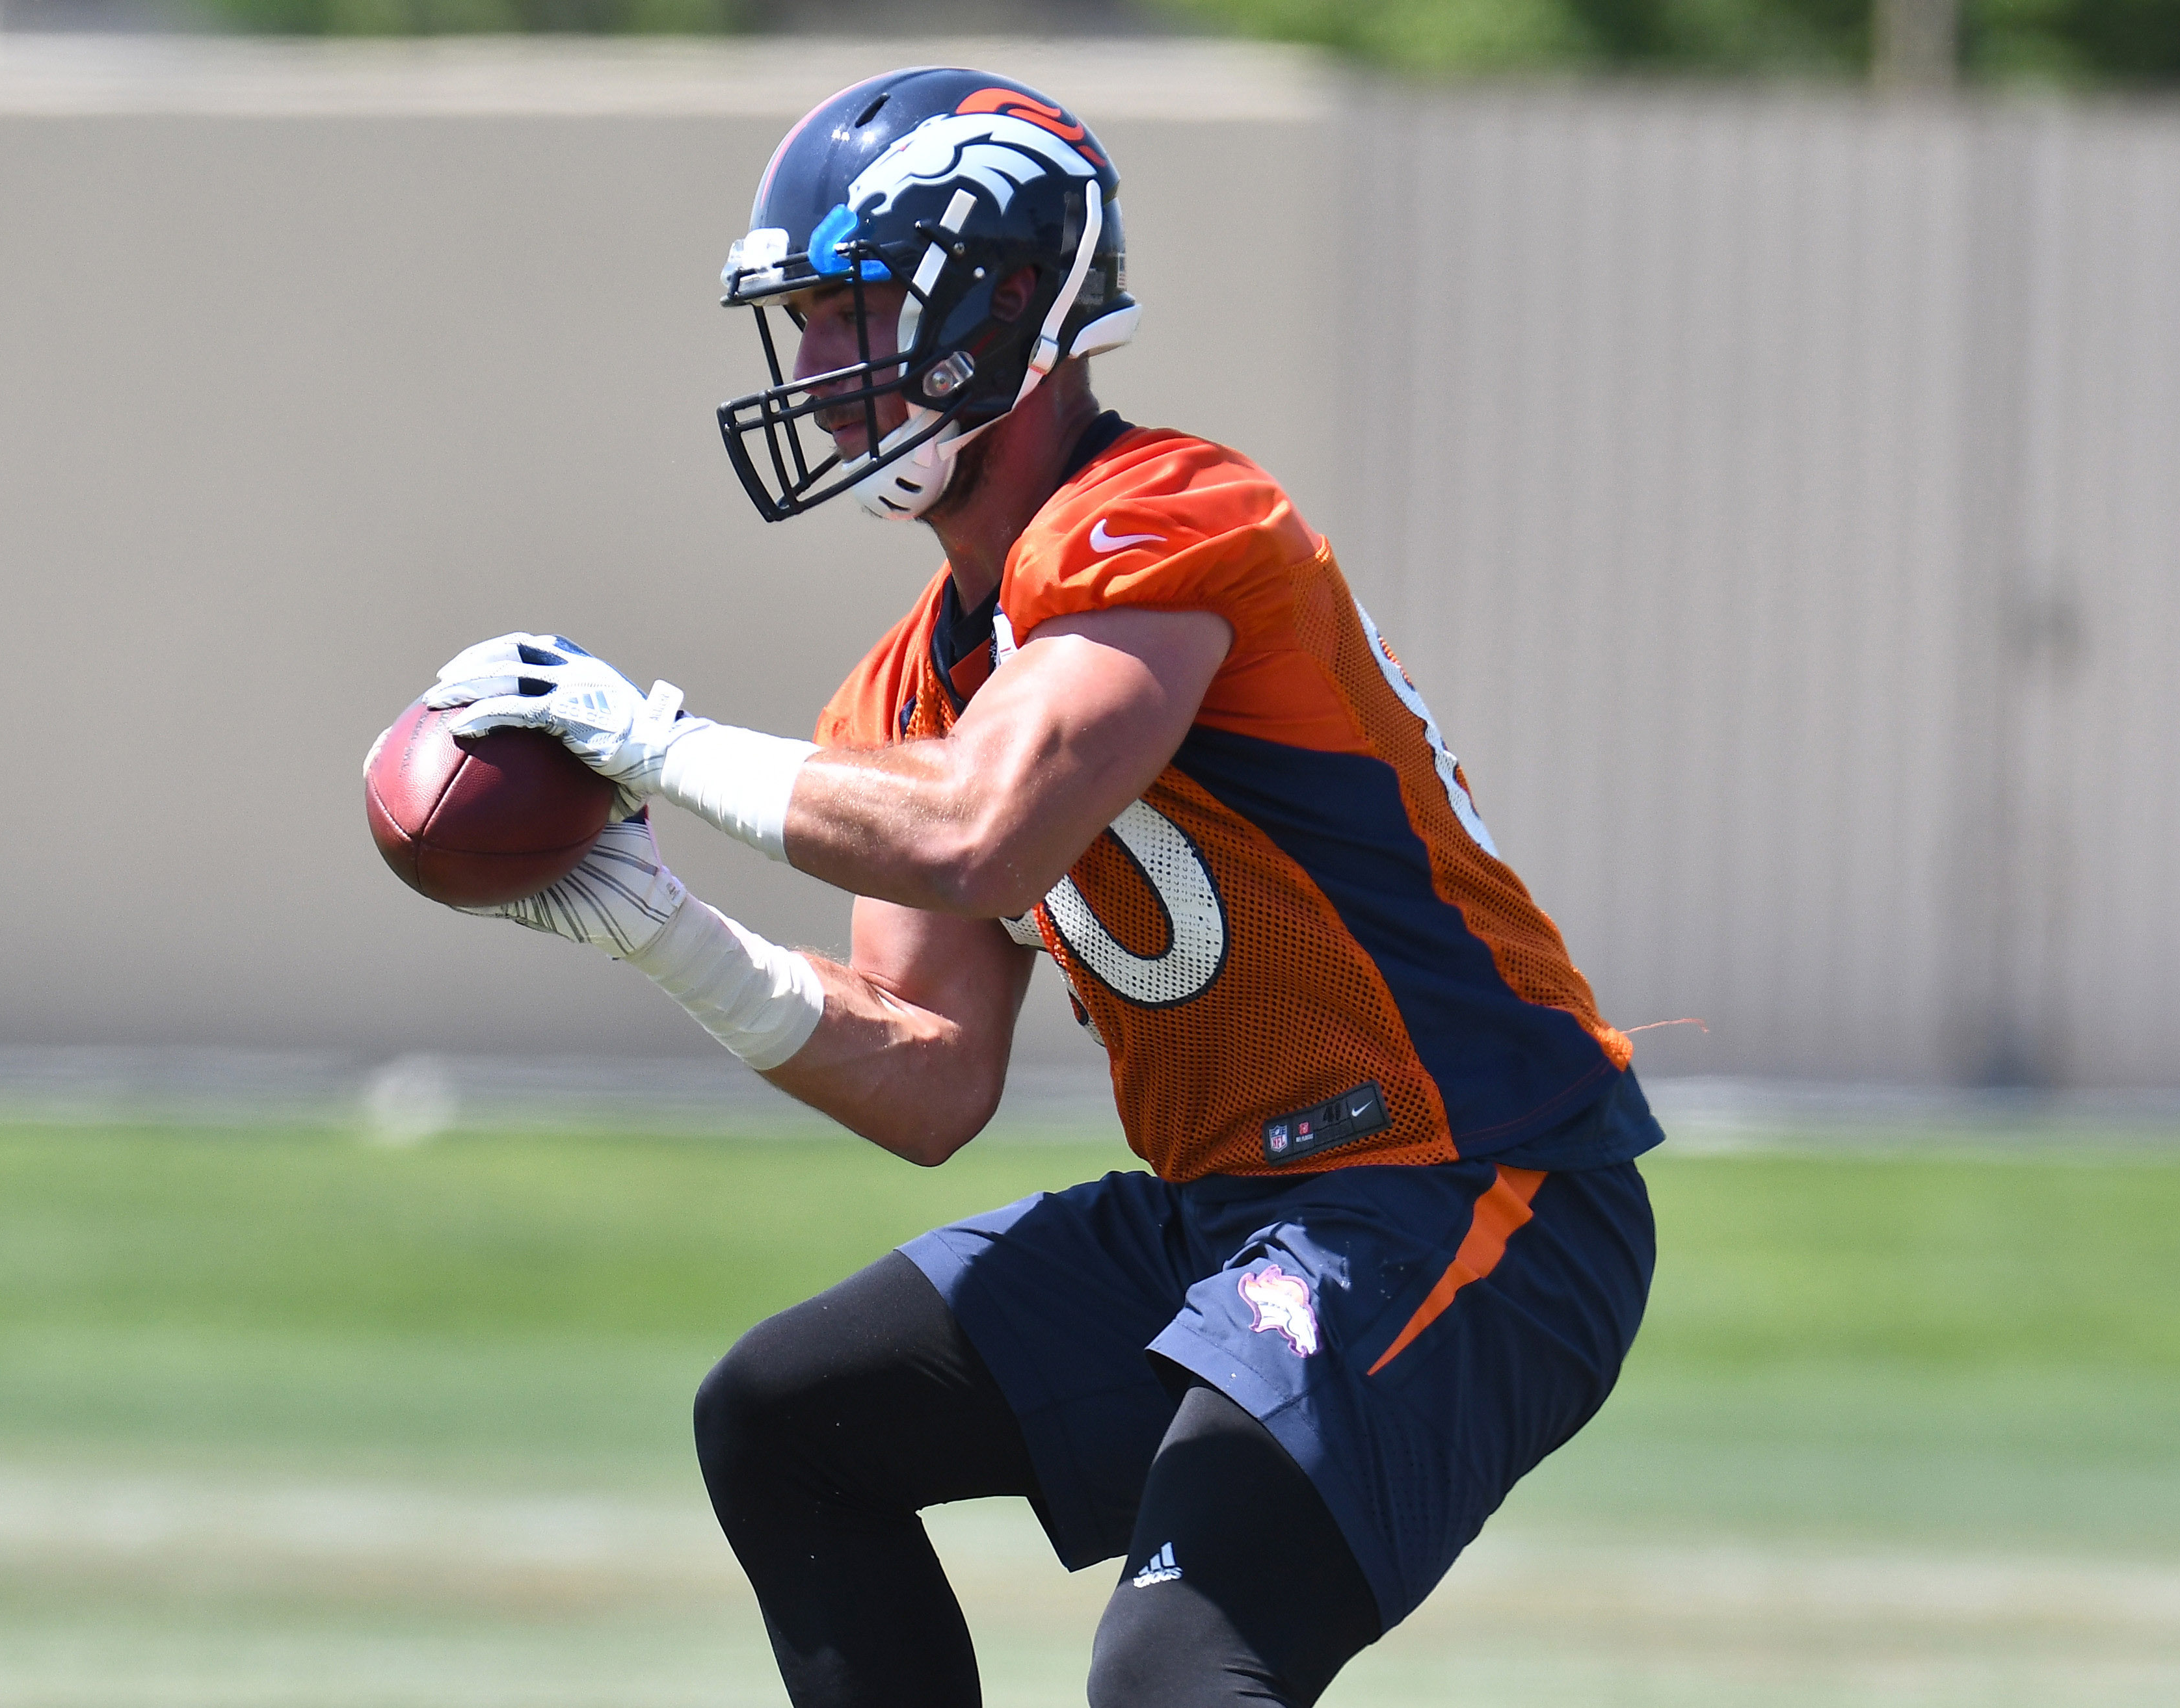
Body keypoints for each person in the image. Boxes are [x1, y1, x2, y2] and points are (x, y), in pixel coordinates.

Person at [406, 66, 1660, 1708]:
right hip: (1234, 1211)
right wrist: (661, 924)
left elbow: (982, 836)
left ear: (1007, 304)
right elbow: (927, 1079)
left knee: (1176, 1673)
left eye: (853, 311)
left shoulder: (1171, 516)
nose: (818, 370)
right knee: (789, 1426)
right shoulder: (907, 689)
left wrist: (651, 741)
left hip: (1467, 1178)